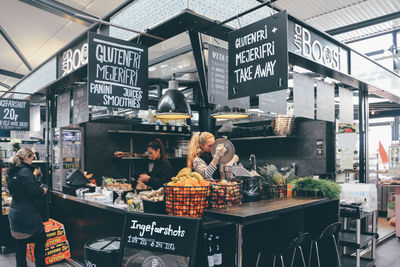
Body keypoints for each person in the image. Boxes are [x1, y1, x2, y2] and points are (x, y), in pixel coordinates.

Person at [6, 148, 47, 267]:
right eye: (32, 158)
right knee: (41, 239)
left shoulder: (11, 171)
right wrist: (42, 190)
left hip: (14, 210)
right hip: (27, 212)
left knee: (20, 243)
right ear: (26, 157)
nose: (33, 160)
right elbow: (34, 192)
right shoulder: (25, 172)